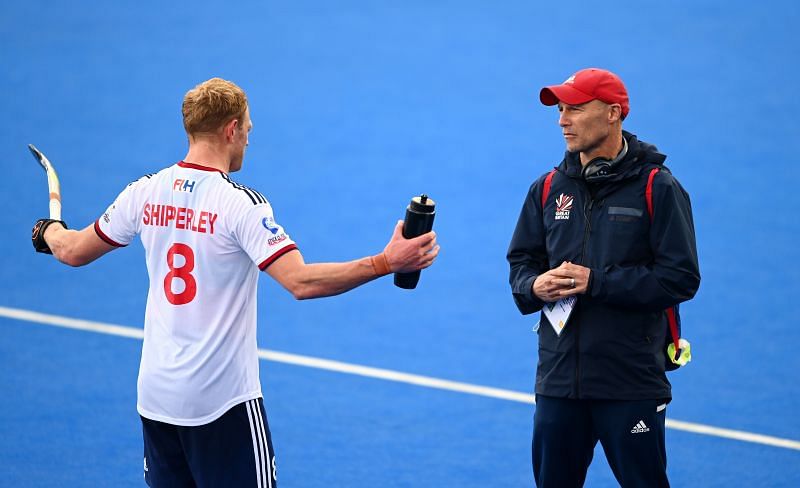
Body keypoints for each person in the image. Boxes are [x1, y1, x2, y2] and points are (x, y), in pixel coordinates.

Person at [30, 77, 439, 488]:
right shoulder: (239, 204)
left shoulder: (144, 192)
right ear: (231, 130)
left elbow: (72, 250)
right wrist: (386, 262)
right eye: (247, 127)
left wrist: (47, 230)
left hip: (156, 399)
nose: (248, 136)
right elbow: (301, 282)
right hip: (221, 403)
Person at [506, 68, 700, 487]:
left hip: (628, 382)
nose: (562, 120)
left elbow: (679, 278)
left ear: (613, 113)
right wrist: (533, 286)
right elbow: (521, 262)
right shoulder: (547, 189)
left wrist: (598, 283)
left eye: (575, 108)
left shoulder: (658, 188)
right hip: (558, 381)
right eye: (560, 110)